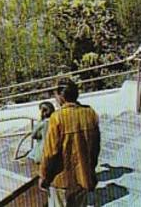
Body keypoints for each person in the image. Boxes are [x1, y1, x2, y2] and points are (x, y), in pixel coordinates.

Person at [39, 79, 100, 207]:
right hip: (82, 178)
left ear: (61, 96)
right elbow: (95, 149)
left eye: (55, 95)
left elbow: (50, 153)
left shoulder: (57, 118)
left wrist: (43, 176)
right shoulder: (90, 113)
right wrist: (91, 172)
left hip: (61, 181)